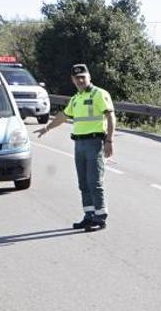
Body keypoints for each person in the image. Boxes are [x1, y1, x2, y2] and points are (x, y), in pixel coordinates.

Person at [35, 63, 116, 230]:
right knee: (84, 183)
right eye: (76, 78)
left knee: (95, 181)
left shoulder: (99, 94)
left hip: (95, 143)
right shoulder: (76, 98)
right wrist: (47, 127)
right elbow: (63, 116)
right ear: (72, 80)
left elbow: (110, 118)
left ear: (89, 77)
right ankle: (89, 215)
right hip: (79, 144)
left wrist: (109, 141)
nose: (80, 80)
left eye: (82, 77)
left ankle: (100, 218)